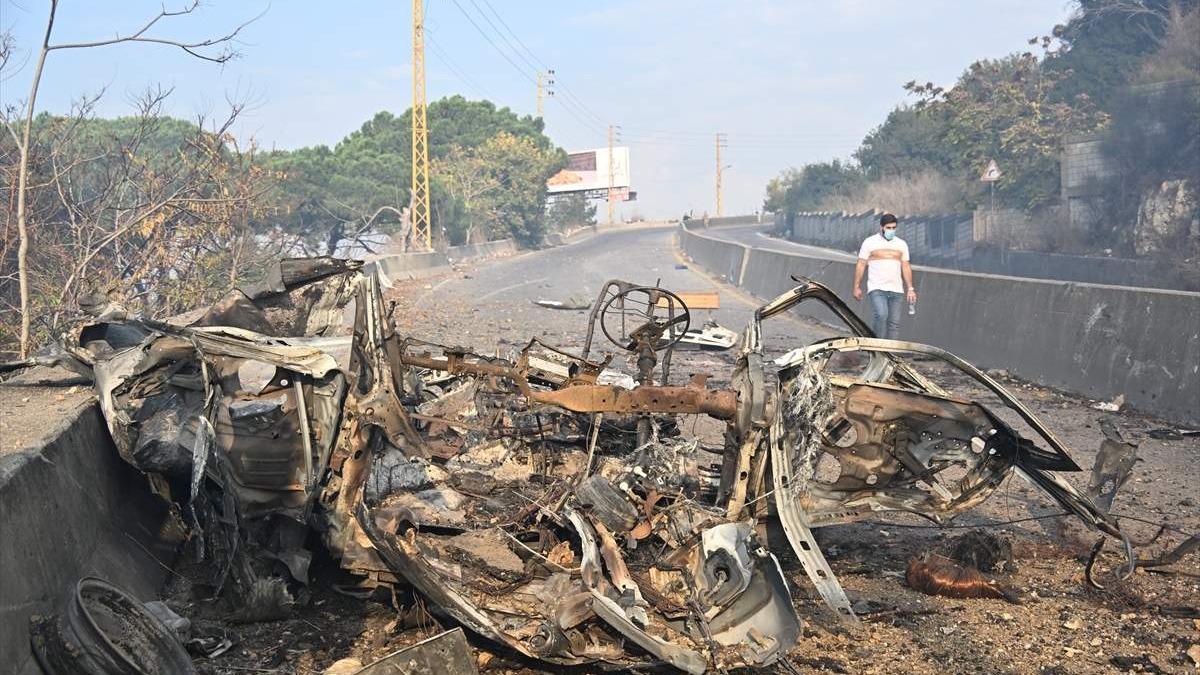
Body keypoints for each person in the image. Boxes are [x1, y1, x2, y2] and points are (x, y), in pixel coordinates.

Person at [852, 213, 917, 339]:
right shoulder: (870, 242)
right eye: (888, 228)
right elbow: (861, 264)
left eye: (894, 228)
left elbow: (906, 266)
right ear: (881, 227)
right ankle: (877, 348)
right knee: (881, 315)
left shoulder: (901, 244)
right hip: (877, 288)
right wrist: (856, 286)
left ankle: (890, 353)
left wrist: (910, 289)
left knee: (894, 323)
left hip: (896, 290)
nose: (891, 231)